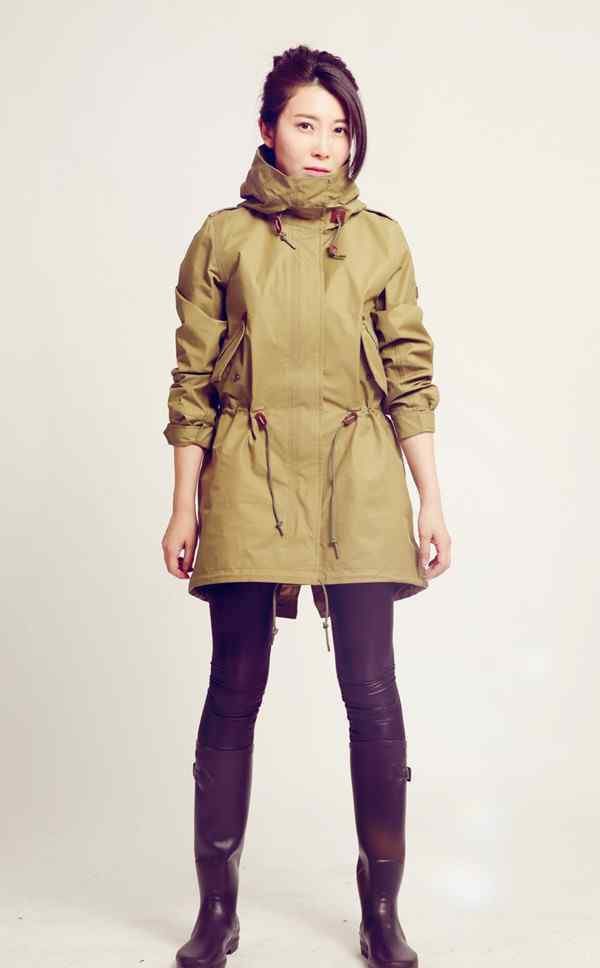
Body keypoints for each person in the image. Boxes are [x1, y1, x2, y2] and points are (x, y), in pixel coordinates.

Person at [161, 44, 451, 968]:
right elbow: (191, 382)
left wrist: (430, 498)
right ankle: (216, 911)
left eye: (339, 128)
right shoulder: (222, 238)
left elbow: (409, 375)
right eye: (305, 124)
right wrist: (184, 505)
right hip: (246, 475)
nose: (325, 144)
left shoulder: (380, 240)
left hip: (358, 477)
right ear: (267, 130)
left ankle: (382, 911)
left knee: (372, 692)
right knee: (233, 691)